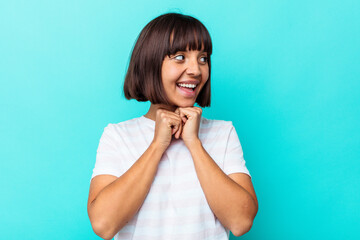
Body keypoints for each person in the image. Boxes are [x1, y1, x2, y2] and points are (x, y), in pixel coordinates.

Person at [87, 13, 258, 240]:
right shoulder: (117, 136)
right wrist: (158, 145)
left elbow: (241, 222)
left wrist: (194, 144)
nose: (196, 70)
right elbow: (103, 225)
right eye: (180, 57)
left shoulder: (222, 133)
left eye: (203, 58)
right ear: (150, 63)